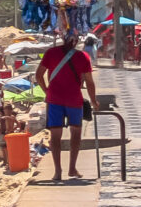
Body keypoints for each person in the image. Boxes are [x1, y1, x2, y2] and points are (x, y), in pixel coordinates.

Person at [37, 22, 98, 183]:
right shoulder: (82, 57)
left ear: (63, 38)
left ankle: (58, 172)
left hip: (55, 100)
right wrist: (94, 100)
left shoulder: (51, 53)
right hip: (74, 100)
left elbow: (38, 75)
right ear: (77, 40)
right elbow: (89, 82)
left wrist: (46, 91)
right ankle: (72, 167)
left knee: (55, 136)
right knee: (76, 134)